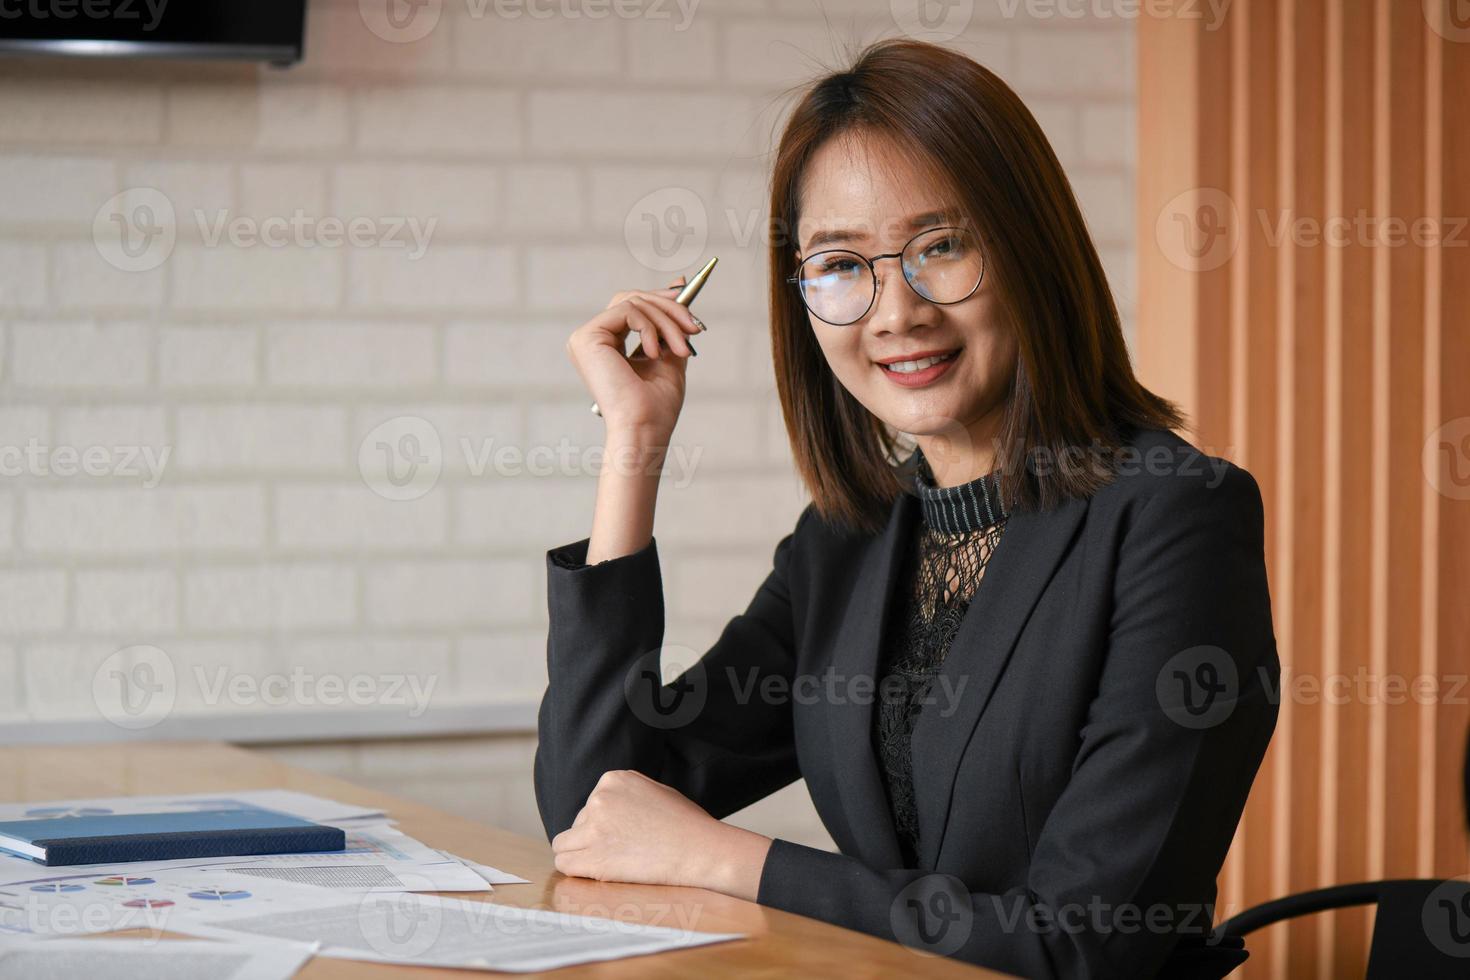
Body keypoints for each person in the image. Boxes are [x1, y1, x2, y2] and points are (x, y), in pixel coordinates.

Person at [534, 37, 1280, 980]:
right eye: (841, 265)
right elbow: (596, 808)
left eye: (942, 245)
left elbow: (1086, 943)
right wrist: (634, 448)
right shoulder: (845, 539)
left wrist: (731, 862)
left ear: (1030, 250)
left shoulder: (1178, 518)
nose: (896, 312)